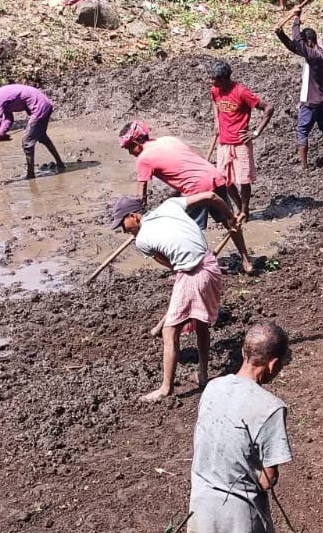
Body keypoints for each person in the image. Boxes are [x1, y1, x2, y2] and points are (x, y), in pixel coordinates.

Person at [187, 321, 293, 533]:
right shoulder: (270, 407)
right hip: (240, 514)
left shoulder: (213, 388)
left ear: (244, 352)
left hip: (203, 502)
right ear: (272, 364)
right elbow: (268, 480)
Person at [111, 192, 240, 402]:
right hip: (209, 265)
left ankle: (165, 389)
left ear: (134, 216)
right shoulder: (171, 205)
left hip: (192, 274)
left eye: (123, 224)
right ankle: (202, 374)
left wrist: (182, 268)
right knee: (201, 324)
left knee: (169, 331)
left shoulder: (142, 240)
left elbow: (170, 264)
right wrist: (229, 217)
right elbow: (211, 195)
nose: (123, 230)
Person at [118, 121, 255, 274]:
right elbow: (193, 159)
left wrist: (141, 222)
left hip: (196, 187)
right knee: (229, 221)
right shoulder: (168, 140)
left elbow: (140, 198)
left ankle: (199, 266)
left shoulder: (144, 159)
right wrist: (177, 193)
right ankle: (246, 261)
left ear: (136, 142)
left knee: (188, 229)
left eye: (129, 148)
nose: (130, 153)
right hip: (213, 175)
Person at [209, 61, 273, 223]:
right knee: (224, 180)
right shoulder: (215, 90)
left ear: (224, 79)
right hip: (223, 142)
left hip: (241, 143)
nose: (212, 83)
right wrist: (217, 121)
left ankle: (245, 210)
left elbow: (268, 108)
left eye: (215, 79)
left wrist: (256, 132)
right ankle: (239, 207)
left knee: (244, 180)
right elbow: (215, 103)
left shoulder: (241, 92)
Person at [274, 9, 323, 169]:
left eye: (304, 41)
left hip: (309, 102)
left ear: (309, 42)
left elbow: (297, 40)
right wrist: (280, 35)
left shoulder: (314, 56)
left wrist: (296, 18)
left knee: (302, 133)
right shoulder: (321, 52)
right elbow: (294, 46)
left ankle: (304, 166)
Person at [0, 81, 65, 180]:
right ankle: (60, 164)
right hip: (44, 105)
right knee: (42, 137)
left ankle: (30, 175)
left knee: (27, 142)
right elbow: (8, 119)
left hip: (40, 108)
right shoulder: (0, 95)